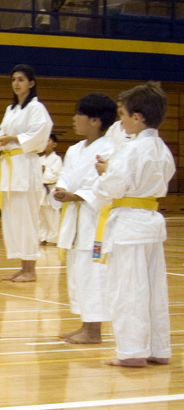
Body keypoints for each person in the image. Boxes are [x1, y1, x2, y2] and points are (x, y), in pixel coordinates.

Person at [93, 82, 174, 368]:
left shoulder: (133, 149)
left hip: (129, 225)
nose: (121, 120)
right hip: (150, 223)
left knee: (128, 290)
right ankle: (158, 348)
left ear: (137, 118)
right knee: (153, 289)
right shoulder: (161, 148)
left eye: (123, 114)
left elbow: (113, 187)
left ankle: (131, 351)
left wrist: (104, 173)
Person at [52, 94, 117, 344]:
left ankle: (94, 330)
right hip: (75, 219)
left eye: (79, 114)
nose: (74, 119)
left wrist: (76, 195)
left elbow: (101, 184)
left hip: (94, 220)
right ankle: (85, 325)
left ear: (94, 120)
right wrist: (61, 190)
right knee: (78, 274)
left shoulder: (111, 149)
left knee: (93, 274)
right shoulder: (74, 149)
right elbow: (65, 177)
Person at [0, 64, 53, 282]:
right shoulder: (12, 110)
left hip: (25, 165)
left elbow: (41, 133)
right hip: (10, 167)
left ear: (31, 83)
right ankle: (23, 265)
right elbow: (3, 131)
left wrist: (13, 139)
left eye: (21, 79)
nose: (16, 83)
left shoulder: (37, 108)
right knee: (13, 218)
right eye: (13, 79)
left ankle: (31, 269)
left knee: (27, 218)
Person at [38, 134, 62, 245]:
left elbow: (55, 176)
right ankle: (42, 237)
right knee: (41, 216)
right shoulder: (39, 159)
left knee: (52, 216)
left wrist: (44, 170)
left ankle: (53, 238)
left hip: (51, 189)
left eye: (48, 141)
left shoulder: (57, 159)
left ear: (54, 144)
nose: (46, 143)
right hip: (40, 189)